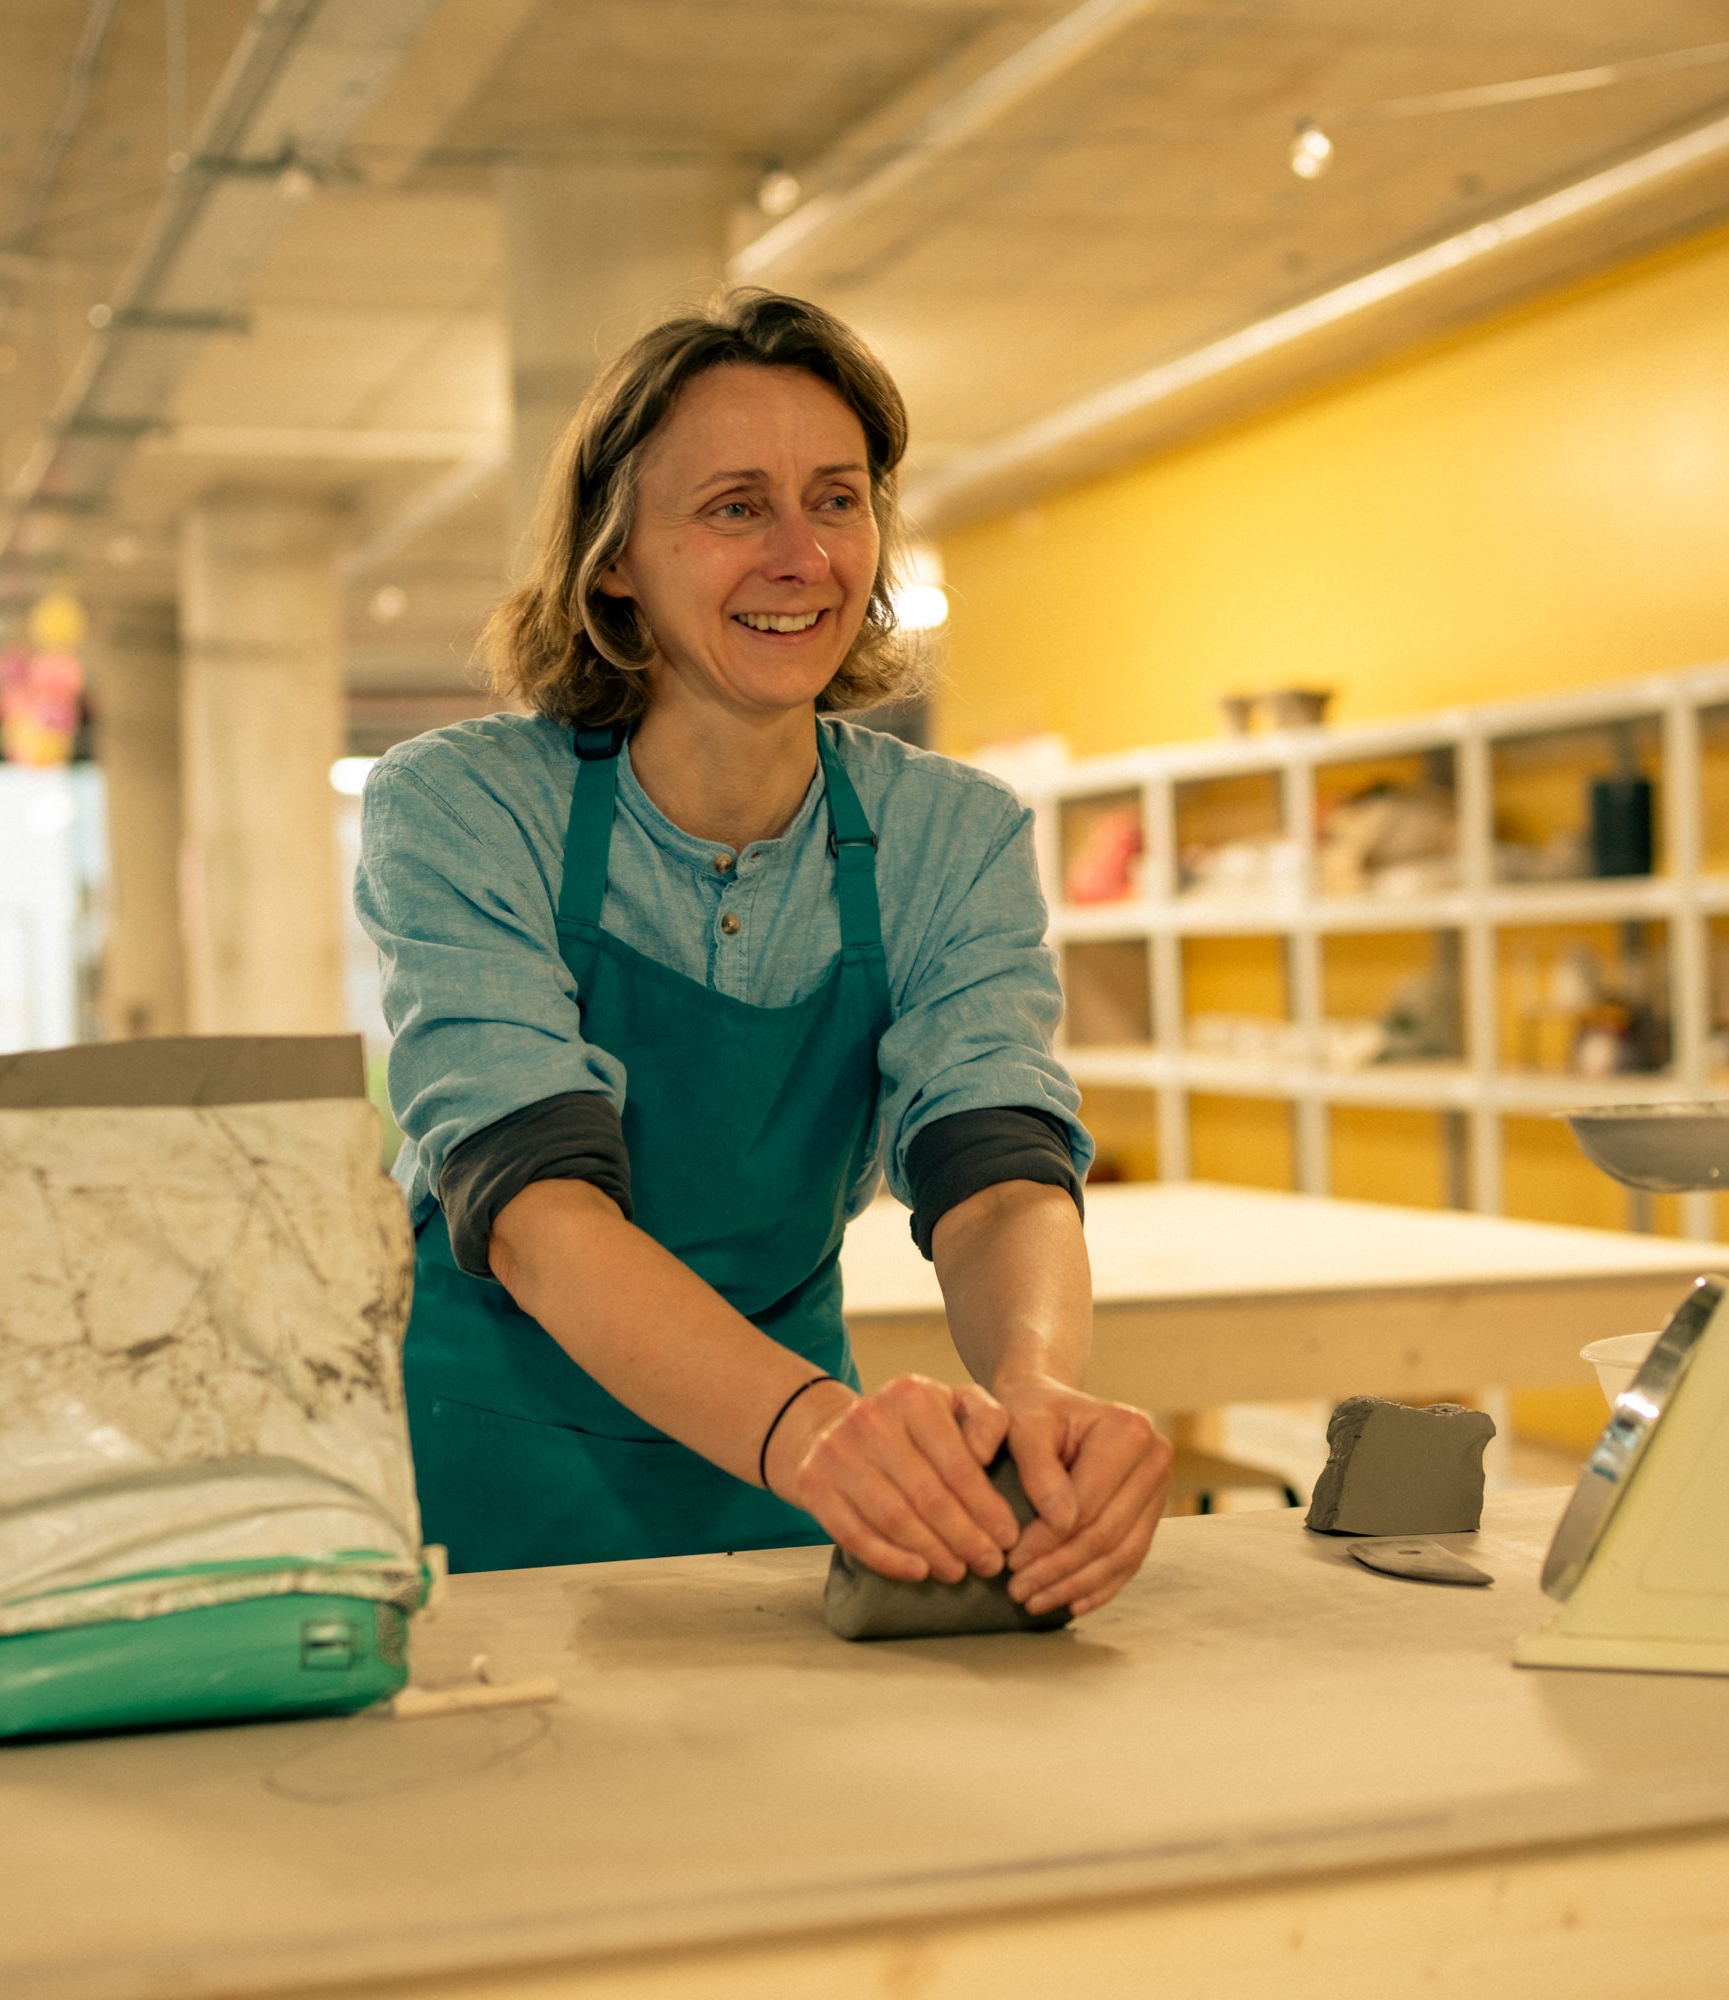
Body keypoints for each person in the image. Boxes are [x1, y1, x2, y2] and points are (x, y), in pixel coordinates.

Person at [355, 290, 1170, 1618]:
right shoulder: (463, 808)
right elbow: (538, 1214)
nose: (803, 554)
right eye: (737, 506)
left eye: (838, 501)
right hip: (489, 1474)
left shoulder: (947, 835)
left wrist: (1035, 1393)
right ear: (615, 557)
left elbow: (997, 1158)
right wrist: (805, 1429)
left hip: (791, 1486)